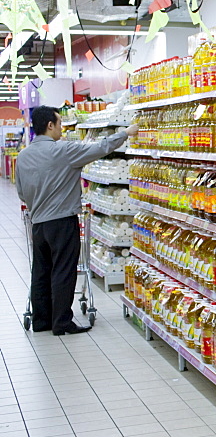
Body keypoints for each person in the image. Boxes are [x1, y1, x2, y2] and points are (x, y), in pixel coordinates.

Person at [15, 106, 138, 335]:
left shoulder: (23, 156)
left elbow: (21, 192)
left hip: (38, 224)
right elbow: (100, 148)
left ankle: (42, 321)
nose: (62, 128)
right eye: (60, 123)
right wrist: (125, 133)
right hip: (62, 221)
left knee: (40, 271)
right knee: (63, 270)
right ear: (50, 125)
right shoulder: (63, 150)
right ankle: (62, 322)